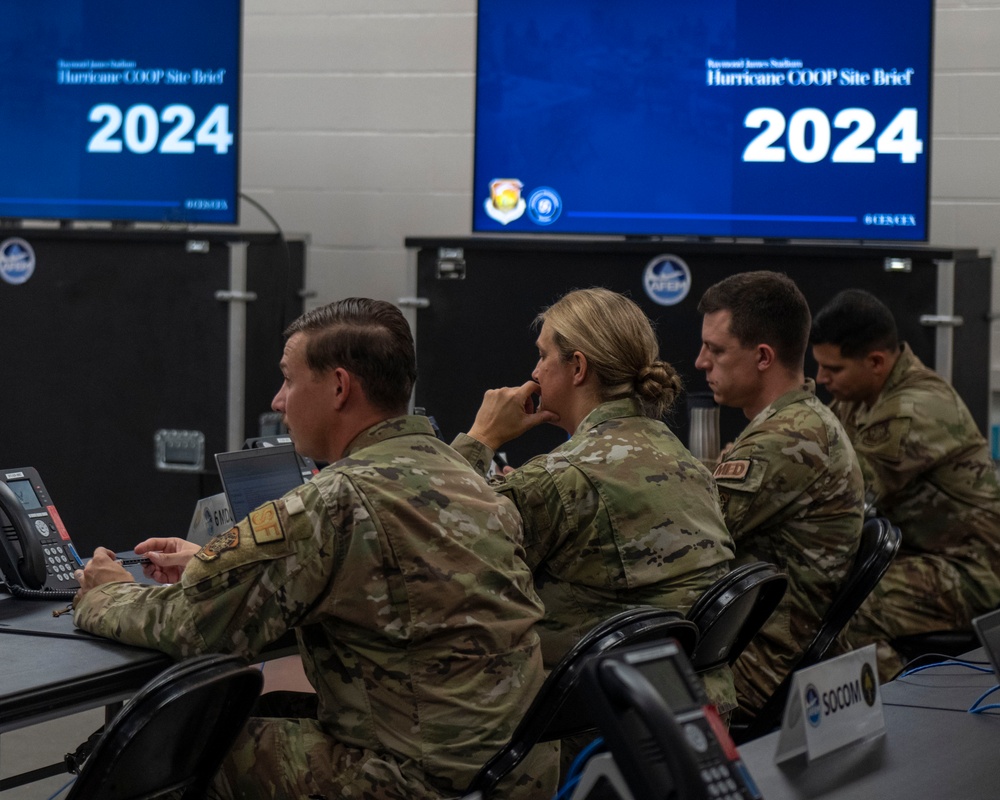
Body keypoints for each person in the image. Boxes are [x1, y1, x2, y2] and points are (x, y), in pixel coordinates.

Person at [71, 298, 558, 799]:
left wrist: (106, 593)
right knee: (263, 711)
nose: (278, 401)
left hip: (416, 782)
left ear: (339, 387)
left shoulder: (335, 500)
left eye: (288, 379)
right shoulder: (470, 479)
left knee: (158, 742)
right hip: (514, 772)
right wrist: (216, 564)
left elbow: (193, 627)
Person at [450, 287, 737, 714]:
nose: (534, 370)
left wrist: (481, 438)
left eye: (543, 356)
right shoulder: (687, 463)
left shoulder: (560, 478)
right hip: (689, 714)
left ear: (577, 367)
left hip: (589, 726)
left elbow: (432, 544)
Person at [694, 271, 864, 719]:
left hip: (758, 664)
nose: (700, 363)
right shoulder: (799, 423)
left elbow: (684, 542)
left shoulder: (786, 440)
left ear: (763, 357)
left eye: (715, 350)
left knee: (590, 689)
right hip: (767, 644)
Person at [812, 289, 1000, 675]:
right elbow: (814, 455)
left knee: (845, 610)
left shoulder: (912, 408)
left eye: (833, 369)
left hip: (974, 571)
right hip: (920, 556)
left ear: (876, 361)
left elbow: (839, 489)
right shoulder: (859, 396)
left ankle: (901, 708)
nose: (821, 378)